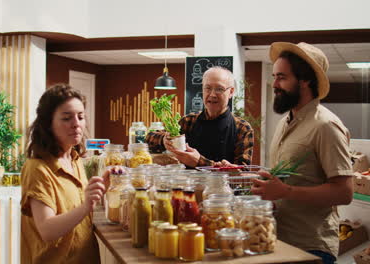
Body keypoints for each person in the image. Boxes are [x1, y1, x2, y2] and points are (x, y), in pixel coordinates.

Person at [251, 42, 353, 264]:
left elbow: (344, 192)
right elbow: (295, 179)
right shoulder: (284, 123)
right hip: (279, 239)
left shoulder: (325, 125)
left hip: (311, 247)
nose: (274, 84)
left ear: (305, 79)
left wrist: (284, 191)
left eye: (281, 77)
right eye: (274, 76)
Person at [20, 84, 108, 264]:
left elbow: (76, 211)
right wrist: (86, 205)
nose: (76, 123)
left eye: (81, 116)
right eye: (67, 118)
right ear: (48, 124)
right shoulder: (37, 168)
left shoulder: (75, 160)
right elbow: (47, 230)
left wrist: (101, 191)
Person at [146, 66, 254, 168]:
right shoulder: (189, 121)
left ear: (231, 92)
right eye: (207, 88)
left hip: (223, 187)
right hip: (188, 186)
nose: (212, 94)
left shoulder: (242, 128)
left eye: (219, 89)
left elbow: (242, 174)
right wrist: (164, 140)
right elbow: (149, 137)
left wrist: (199, 162)